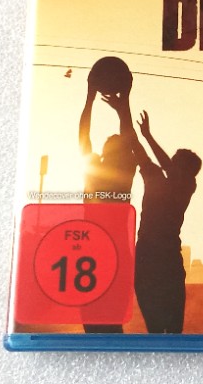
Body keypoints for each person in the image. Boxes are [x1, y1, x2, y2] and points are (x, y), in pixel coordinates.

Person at [104, 92, 201, 333]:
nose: (170, 161)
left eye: (175, 160)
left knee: (169, 329)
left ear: (184, 169)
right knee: (161, 329)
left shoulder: (184, 184)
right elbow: (134, 144)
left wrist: (146, 134)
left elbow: (153, 155)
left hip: (157, 257)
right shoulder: (160, 178)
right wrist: (123, 111)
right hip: (156, 257)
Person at [78, 80, 136, 334]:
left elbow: (83, 135)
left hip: (92, 249)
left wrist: (90, 98)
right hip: (116, 249)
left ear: (103, 152)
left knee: (93, 322)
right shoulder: (125, 172)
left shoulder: (93, 170)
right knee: (112, 322)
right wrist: (124, 106)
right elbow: (128, 138)